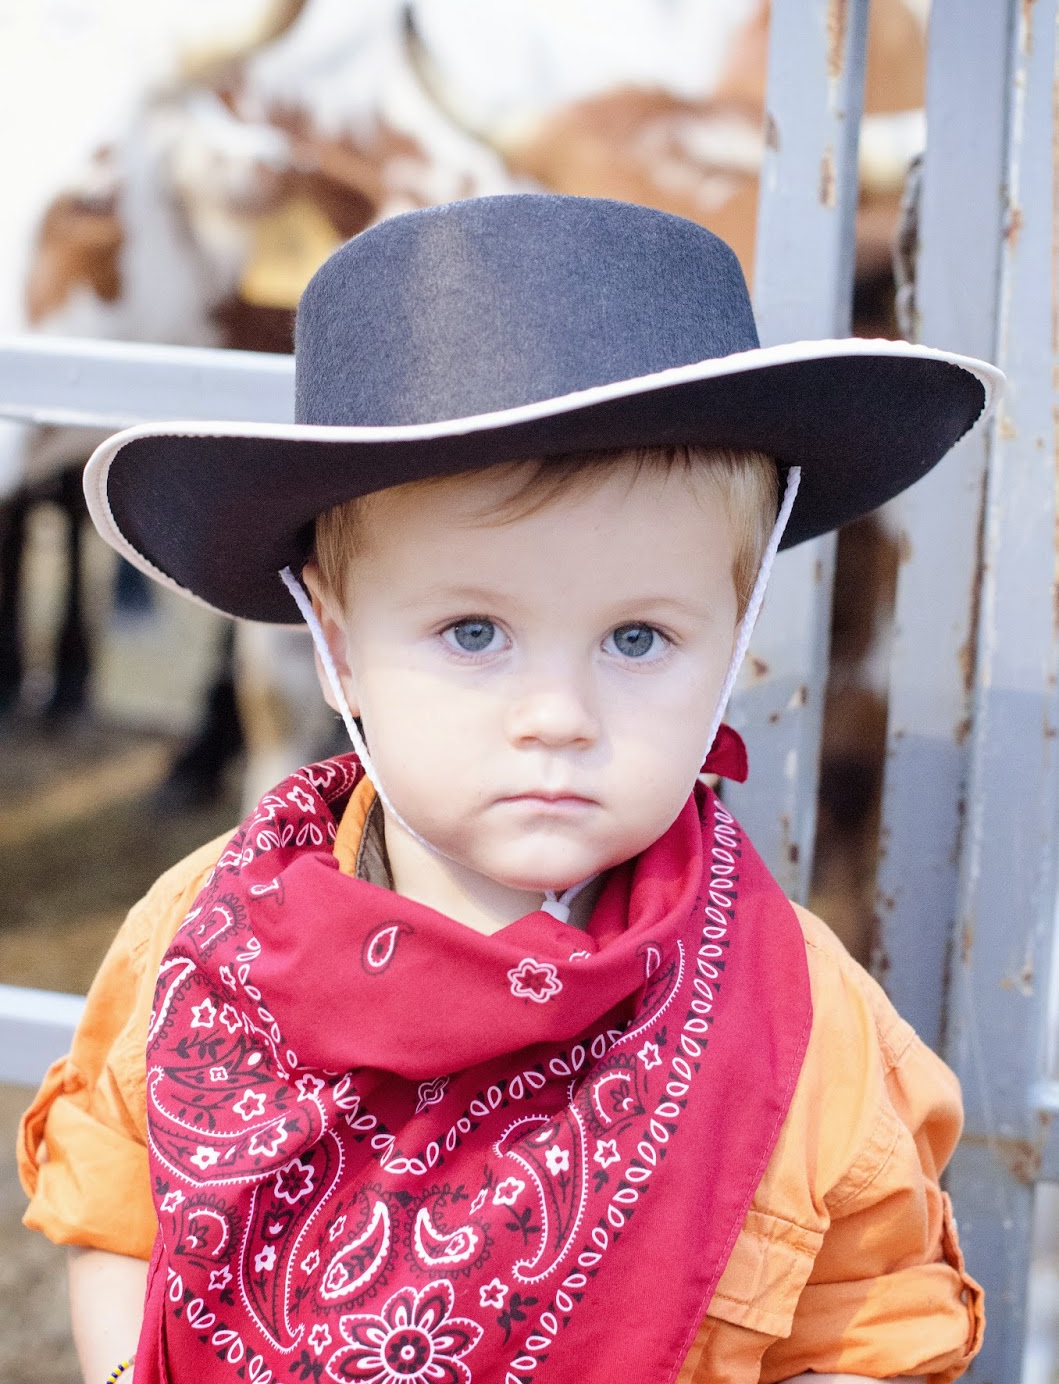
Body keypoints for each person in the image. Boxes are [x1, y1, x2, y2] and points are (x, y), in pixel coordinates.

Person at [19, 196, 996, 1384]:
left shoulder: (801, 1023)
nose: (559, 715)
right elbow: (116, 1198)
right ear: (338, 641)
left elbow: (876, 1319)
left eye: (638, 639)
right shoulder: (201, 942)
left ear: (735, 637)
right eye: (473, 630)